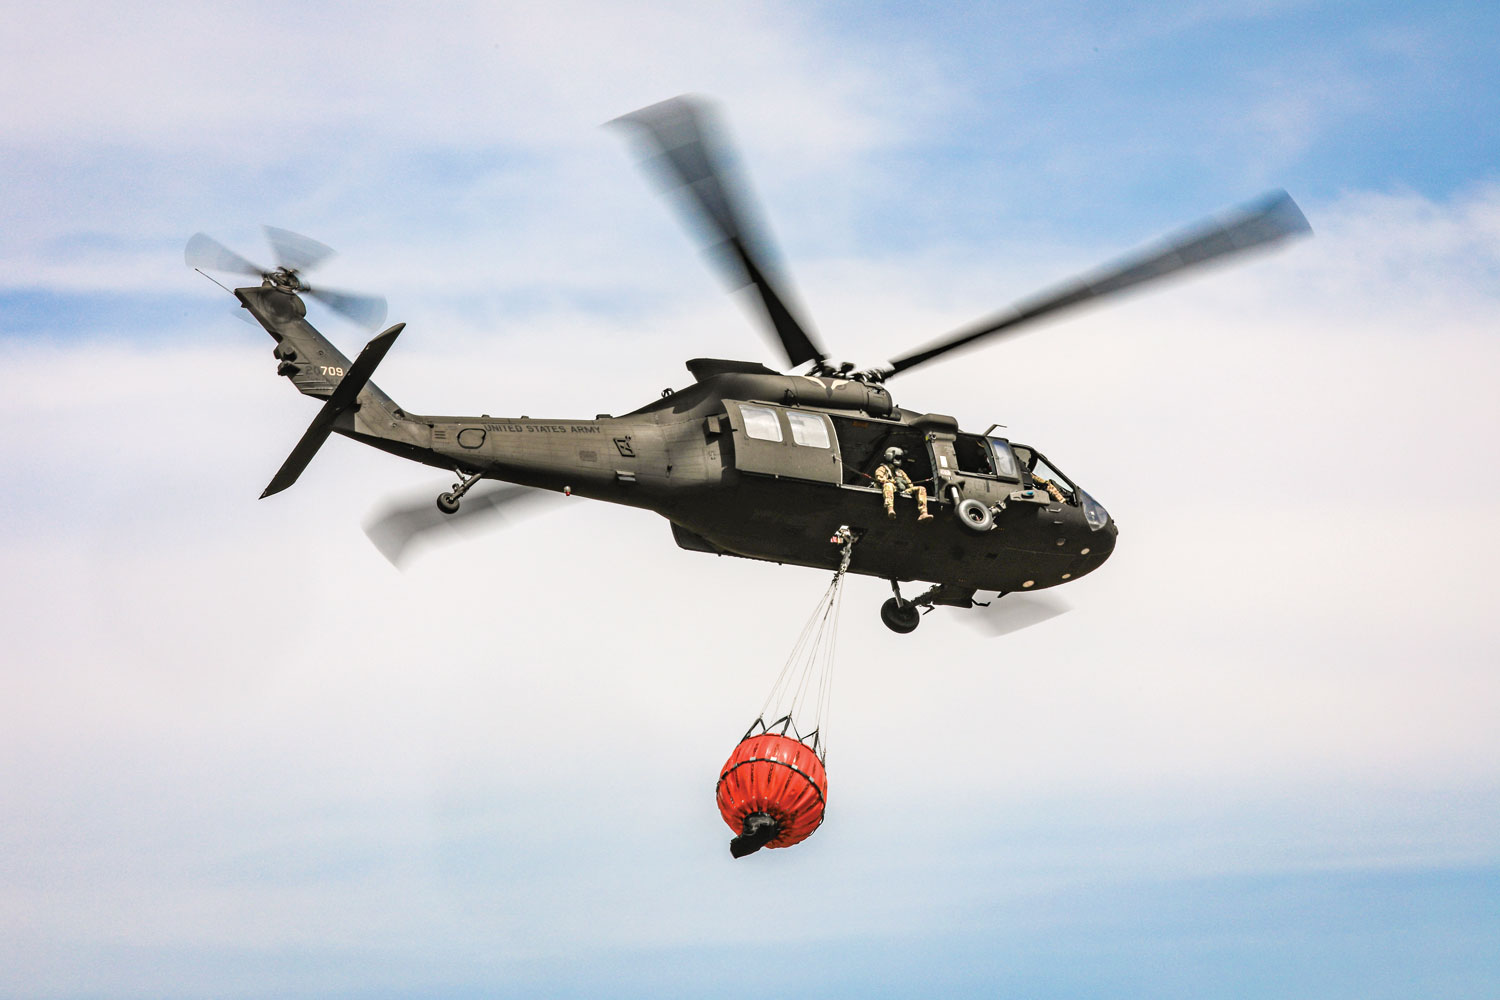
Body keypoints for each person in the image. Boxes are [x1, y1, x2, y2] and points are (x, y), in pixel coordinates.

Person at [874, 447, 932, 521]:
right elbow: (880, 479)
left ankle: (923, 513)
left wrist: (903, 483)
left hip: (900, 491)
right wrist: (894, 482)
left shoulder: (900, 472)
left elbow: (910, 484)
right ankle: (890, 509)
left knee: (921, 488)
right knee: (888, 485)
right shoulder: (882, 469)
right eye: (897, 457)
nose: (899, 460)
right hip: (887, 490)